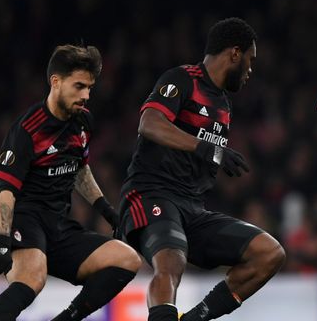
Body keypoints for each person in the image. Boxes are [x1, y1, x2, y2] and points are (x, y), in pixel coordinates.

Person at [119, 18, 286, 321]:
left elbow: (200, 165)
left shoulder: (223, 105)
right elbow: (150, 124)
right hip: (150, 195)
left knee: (269, 252)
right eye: (250, 59)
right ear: (235, 53)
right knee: (170, 261)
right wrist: (207, 149)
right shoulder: (183, 79)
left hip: (192, 209)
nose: (251, 69)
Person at [0, 45, 142, 321]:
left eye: (89, 88)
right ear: (56, 82)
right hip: (24, 219)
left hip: (58, 225)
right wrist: (2, 241)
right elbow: (6, 191)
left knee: (127, 259)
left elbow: (79, 169)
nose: (86, 95)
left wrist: (106, 210)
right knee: (33, 277)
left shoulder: (82, 122)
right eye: (79, 86)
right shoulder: (28, 130)